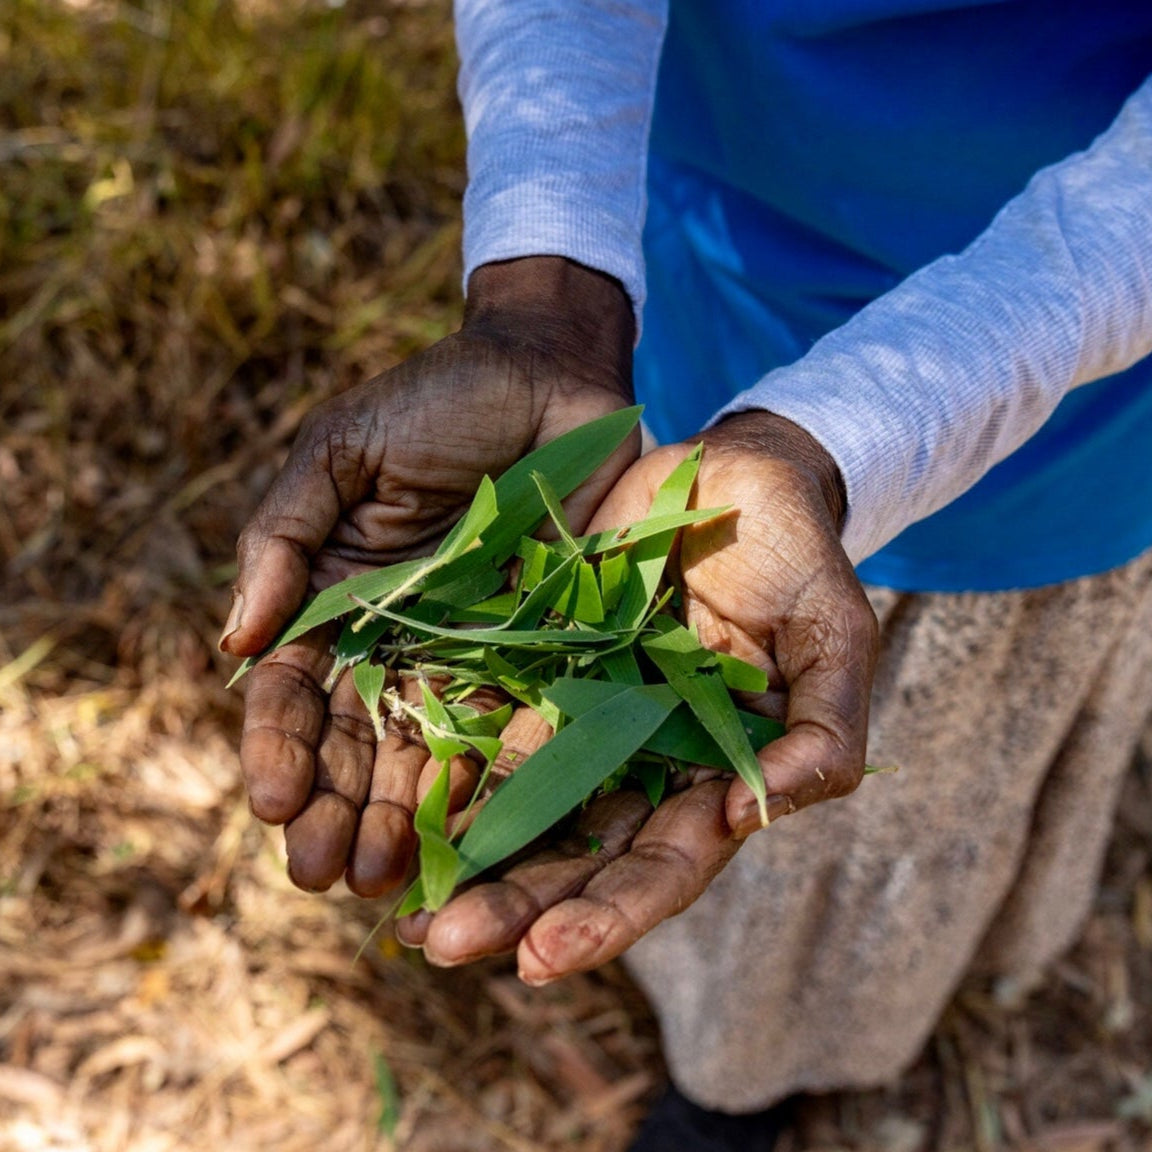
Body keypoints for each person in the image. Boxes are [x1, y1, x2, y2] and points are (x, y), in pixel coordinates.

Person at [219, 2, 1152, 1146]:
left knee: (894, 816)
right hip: (707, 278)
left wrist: (834, 442)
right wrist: (546, 300)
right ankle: (724, 1050)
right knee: (709, 803)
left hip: (1054, 409)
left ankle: (759, 1080)